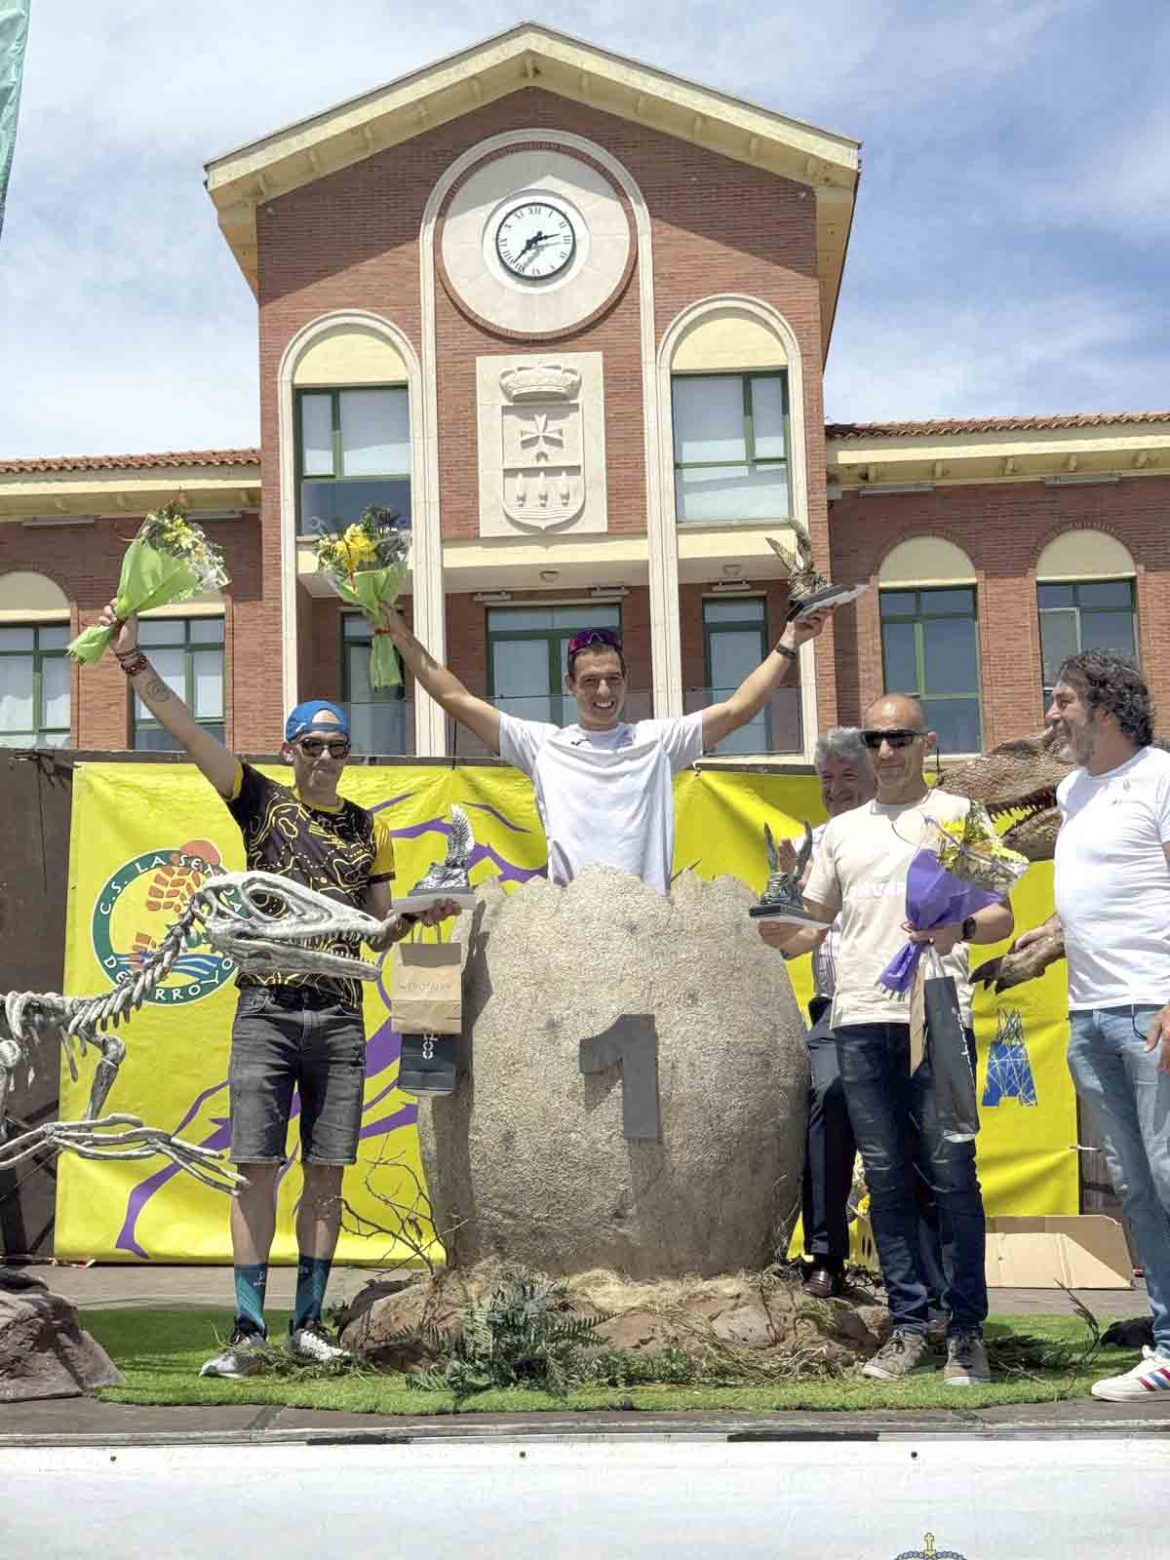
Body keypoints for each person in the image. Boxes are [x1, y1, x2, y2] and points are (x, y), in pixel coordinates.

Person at [98, 602, 459, 1379]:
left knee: (326, 1172)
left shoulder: (369, 828)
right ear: (290, 749)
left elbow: (374, 929)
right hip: (265, 1007)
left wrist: (410, 917)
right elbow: (191, 736)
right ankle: (248, 1328)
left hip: (338, 1013)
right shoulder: (259, 801)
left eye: (338, 745)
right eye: (314, 744)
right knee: (254, 1167)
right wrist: (135, 664)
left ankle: (307, 1325)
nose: (327, 756)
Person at [797, 694, 1014, 1385]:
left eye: (899, 738)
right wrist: (771, 925)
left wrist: (964, 931)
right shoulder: (841, 833)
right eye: (876, 739)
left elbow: (1001, 913)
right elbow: (810, 923)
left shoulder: (959, 816)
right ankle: (910, 1326)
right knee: (886, 1178)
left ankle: (967, 1331)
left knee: (952, 1174)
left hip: (939, 1012)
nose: (886, 751)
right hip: (859, 1016)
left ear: (927, 743)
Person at [380, 604, 828, 893]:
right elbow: (456, 699)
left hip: (648, 922)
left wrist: (788, 642)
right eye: (591, 681)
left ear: (626, 682)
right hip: (573, 923)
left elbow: (739, 708)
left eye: (613, 679)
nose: (603, 691)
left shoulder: (656, 742)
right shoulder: (543, 746)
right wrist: (401, 636)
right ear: (571, 685)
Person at [1015, 650, 1170, 1401]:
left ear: (1105, 711)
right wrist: (1047, 935)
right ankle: (1169, 1347)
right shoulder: (1077, 791)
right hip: (1090, 1013)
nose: (1052, 715)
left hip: (1153, 1009)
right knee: (1137, 1189)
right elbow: (1102, 894)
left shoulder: (1162, 778)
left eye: (1063, 701)